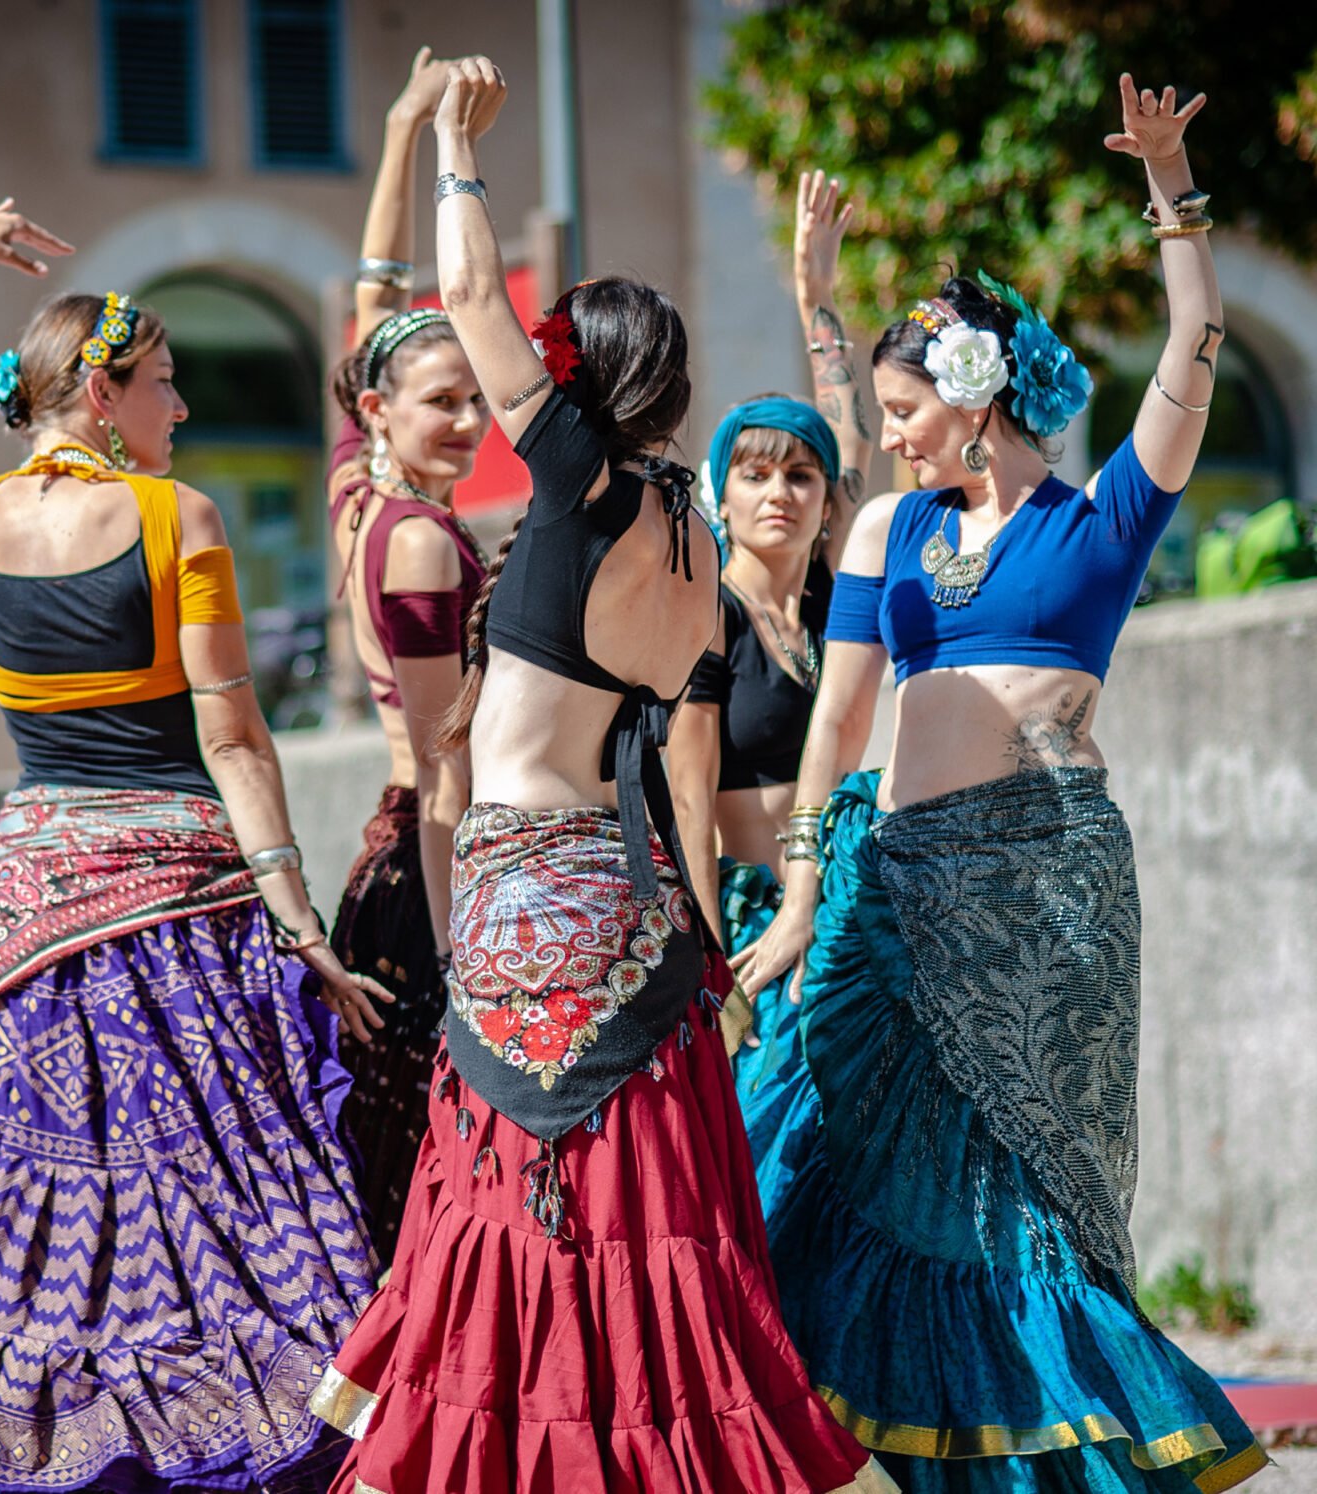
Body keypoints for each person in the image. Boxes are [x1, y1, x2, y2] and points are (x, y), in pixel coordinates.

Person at [309, 58, 893, 1494]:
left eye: (554, 358)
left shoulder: (577, 482)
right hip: (638, 910)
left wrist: (453, 148)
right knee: (643, 1206)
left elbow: (464, 292)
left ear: (583, 384)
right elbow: (682, 758)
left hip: (527, 889)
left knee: (518, 1204)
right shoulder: (698, 544)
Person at [733, 78, 1268, 1491]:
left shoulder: (1104, 521)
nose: (892, 436)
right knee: (833, 1151)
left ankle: (1058, 1456)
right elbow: (838, 719)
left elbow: (1192, 347)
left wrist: (1170, 188)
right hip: (890, 892)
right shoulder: (888, 531)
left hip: (1044, 900)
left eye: (908, 410)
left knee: (1029, 1195)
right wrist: (801, 897)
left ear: (974, 399)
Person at [0, 200, 392, 1494]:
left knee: (47, 1209)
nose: (182, 407)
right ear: (100, 393)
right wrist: (302, 926)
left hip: (34, 908)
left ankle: (21, 1439)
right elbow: (236, 739)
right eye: (163, 381)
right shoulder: (176, 519)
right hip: (182, 910)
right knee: (231, 1201)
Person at [326, 46, 492, 1264]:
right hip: (427, 876)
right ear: (380, 409)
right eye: (445, 402)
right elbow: (446, 767)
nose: (472, 422)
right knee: (418, 1180)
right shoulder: (424, 542)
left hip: (387, 868)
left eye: (478, 398)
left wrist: (397, 134)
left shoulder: (356, 498)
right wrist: (462, 951)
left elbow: (372, 301)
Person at [670, 169, 872, 1091]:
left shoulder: (832, 600)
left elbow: (850, 436)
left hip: (846, 912)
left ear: (827, 500)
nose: (779, 493)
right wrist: (711, 965)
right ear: (725, 493)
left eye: (799, 476)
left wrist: (816, 297)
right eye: (754, 476)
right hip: (752, 925)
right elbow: (687, 795)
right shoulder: (709, 613)